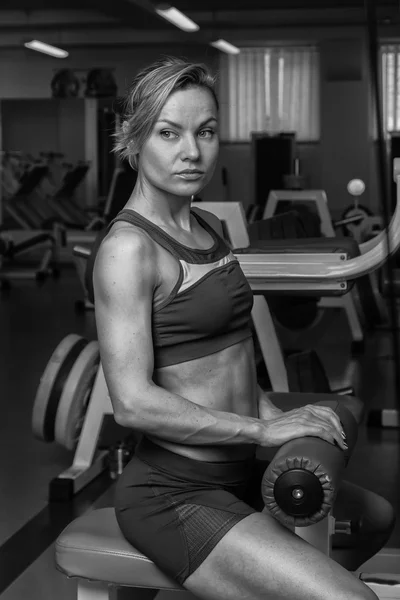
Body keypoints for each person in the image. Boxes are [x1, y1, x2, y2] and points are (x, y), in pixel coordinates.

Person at [92, 56, 394, 600]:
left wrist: (271, 412)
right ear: (134, 141)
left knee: (373, 517)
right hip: (174, 492)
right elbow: (132, 404)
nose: (192, 151)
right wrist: (262, 432)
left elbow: (228, 350)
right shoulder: (128, 249)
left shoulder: (205, 225)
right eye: (168, 133)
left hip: (237, 472)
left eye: (205, 132)